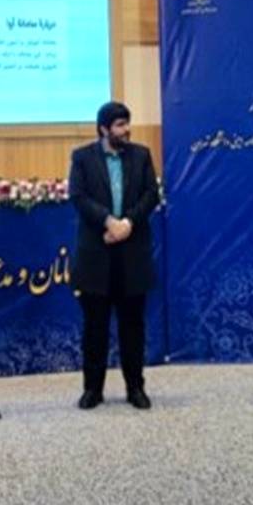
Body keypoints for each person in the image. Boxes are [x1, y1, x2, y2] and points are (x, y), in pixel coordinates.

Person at [68, 101, 161, 410]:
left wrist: (127, 224)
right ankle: (92, 390)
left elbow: (151, 195)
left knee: (132, 327)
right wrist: (108, 222)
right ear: (104, 129)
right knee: (95, 328)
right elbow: (78, 197)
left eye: (127, 123)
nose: (126, 130)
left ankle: (135, 387)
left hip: (132, 253)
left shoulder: (141, 155)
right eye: (120, 125)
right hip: (96, 254)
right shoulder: (82, 158)